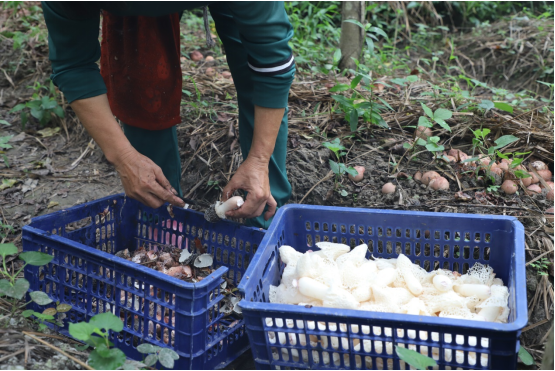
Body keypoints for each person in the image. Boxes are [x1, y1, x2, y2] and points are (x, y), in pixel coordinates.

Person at [41, 1, 295, 228]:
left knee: (253, 71)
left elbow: (270, 63)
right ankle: (161, 221)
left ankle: (265, 218)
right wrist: (124, 157)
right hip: (129, 8)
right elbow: (73, 64)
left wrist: (259, 161)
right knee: (141, 71)